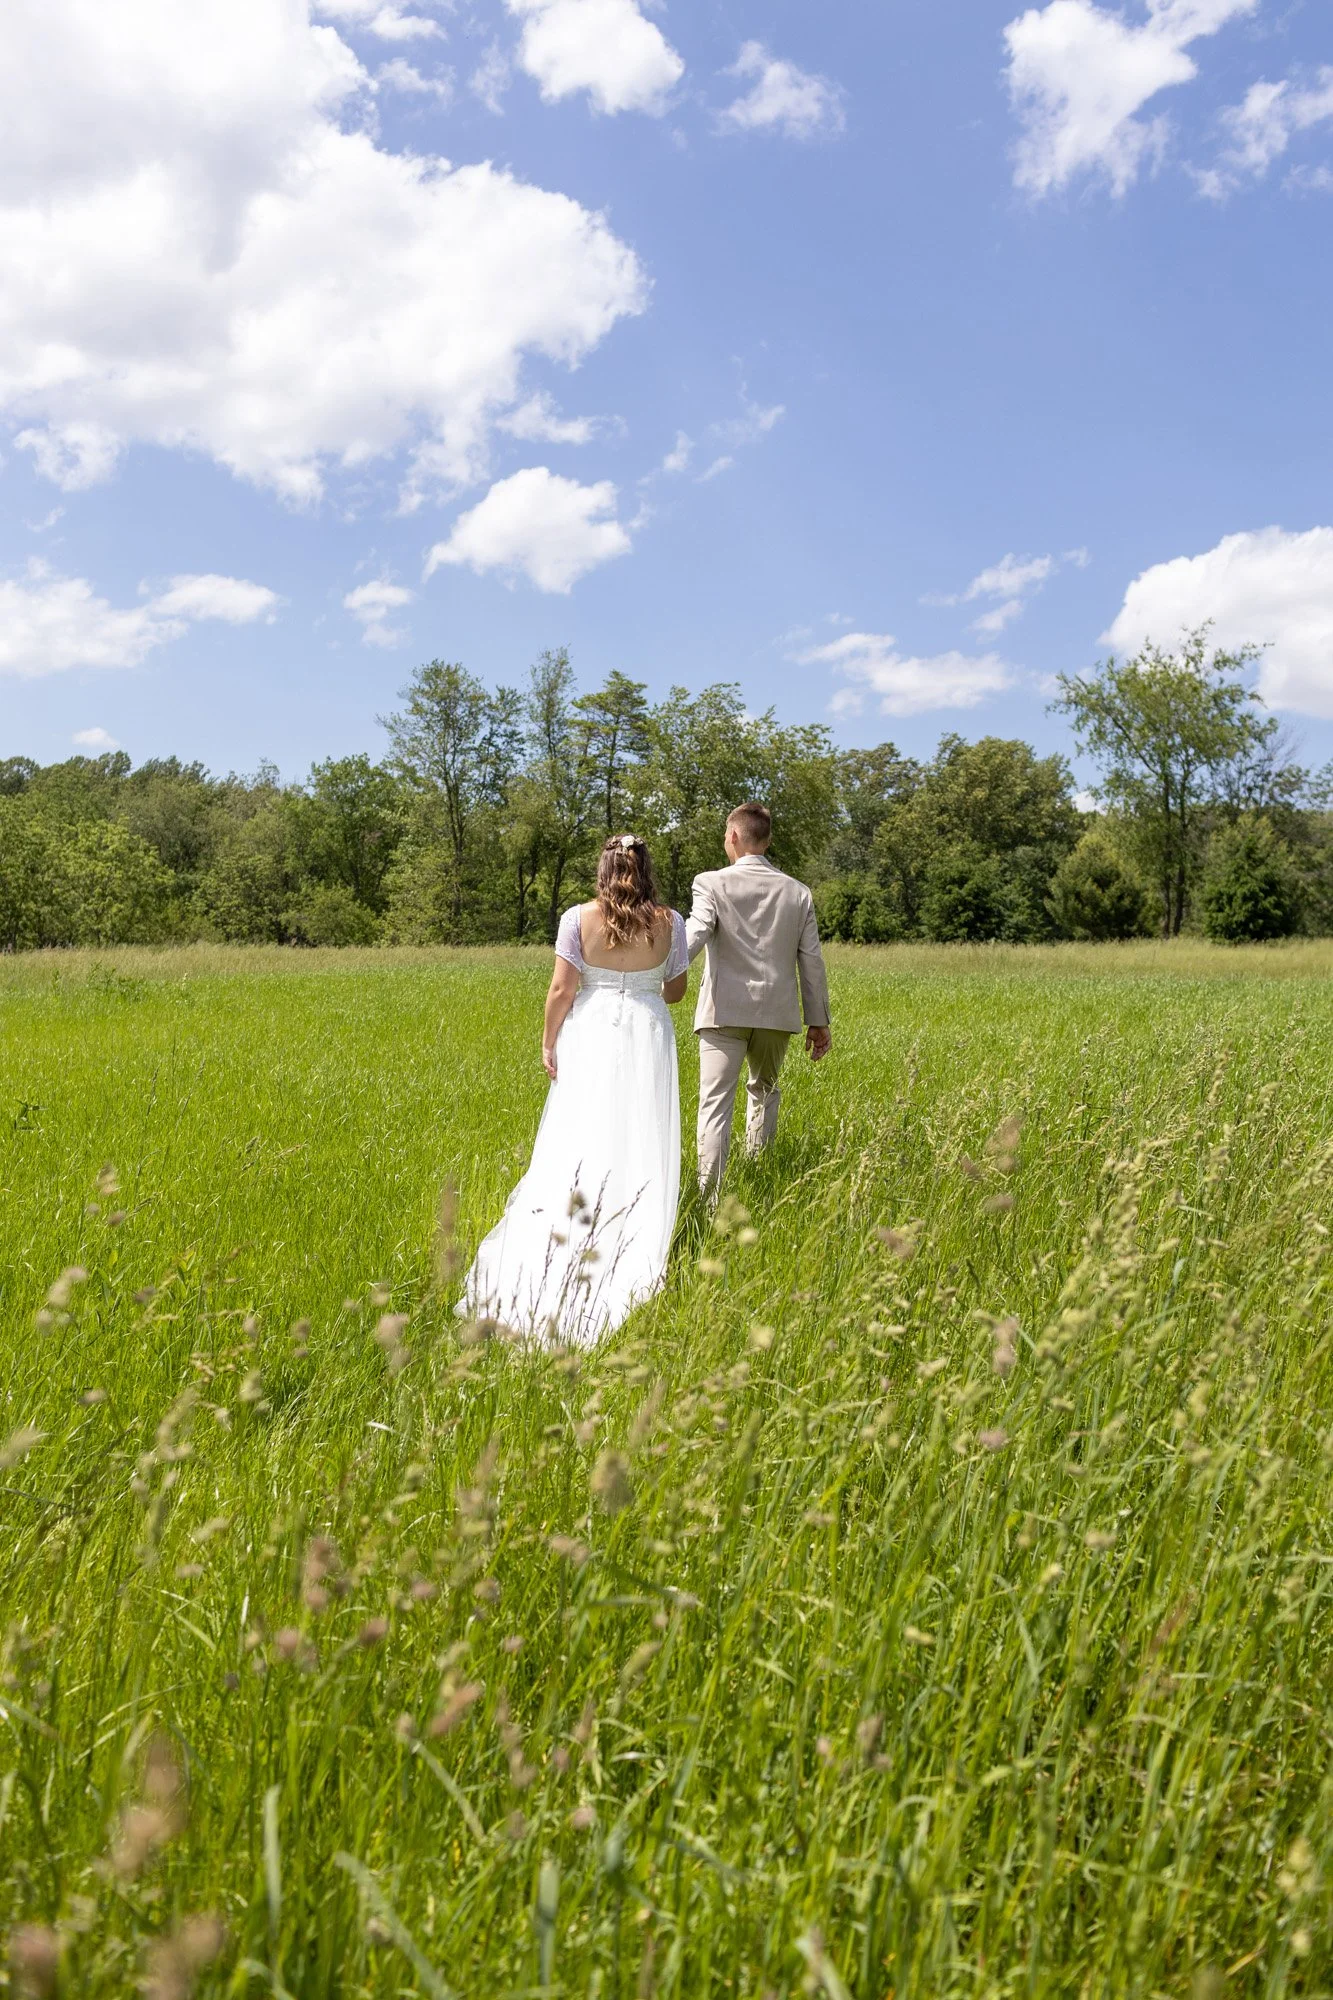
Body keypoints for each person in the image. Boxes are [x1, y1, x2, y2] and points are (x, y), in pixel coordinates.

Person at [461, 834, 688, 1346]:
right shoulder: (671, 922)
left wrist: (548, 1042)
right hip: (648, 1031)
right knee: (641, 1126)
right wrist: (647, 980)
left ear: (603, 871)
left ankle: (577, 1214)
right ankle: (634, 1220)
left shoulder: (575, 919)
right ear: (645, 869)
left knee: (585, 1126)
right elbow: (675, 992)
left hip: (591, 1030)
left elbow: (563, 988)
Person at [686, 801, 831, 1192]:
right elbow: (812, 962)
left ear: (733, 836)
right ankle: (757, 1180)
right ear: (766, 841)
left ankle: (708, 1195)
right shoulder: (798, 893)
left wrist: (664, 966)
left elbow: (695, 932)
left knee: (716, 1103)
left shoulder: (710, 882)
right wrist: (818, 1021)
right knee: (764, 1092)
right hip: (776, 1014)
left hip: (723, 1012)